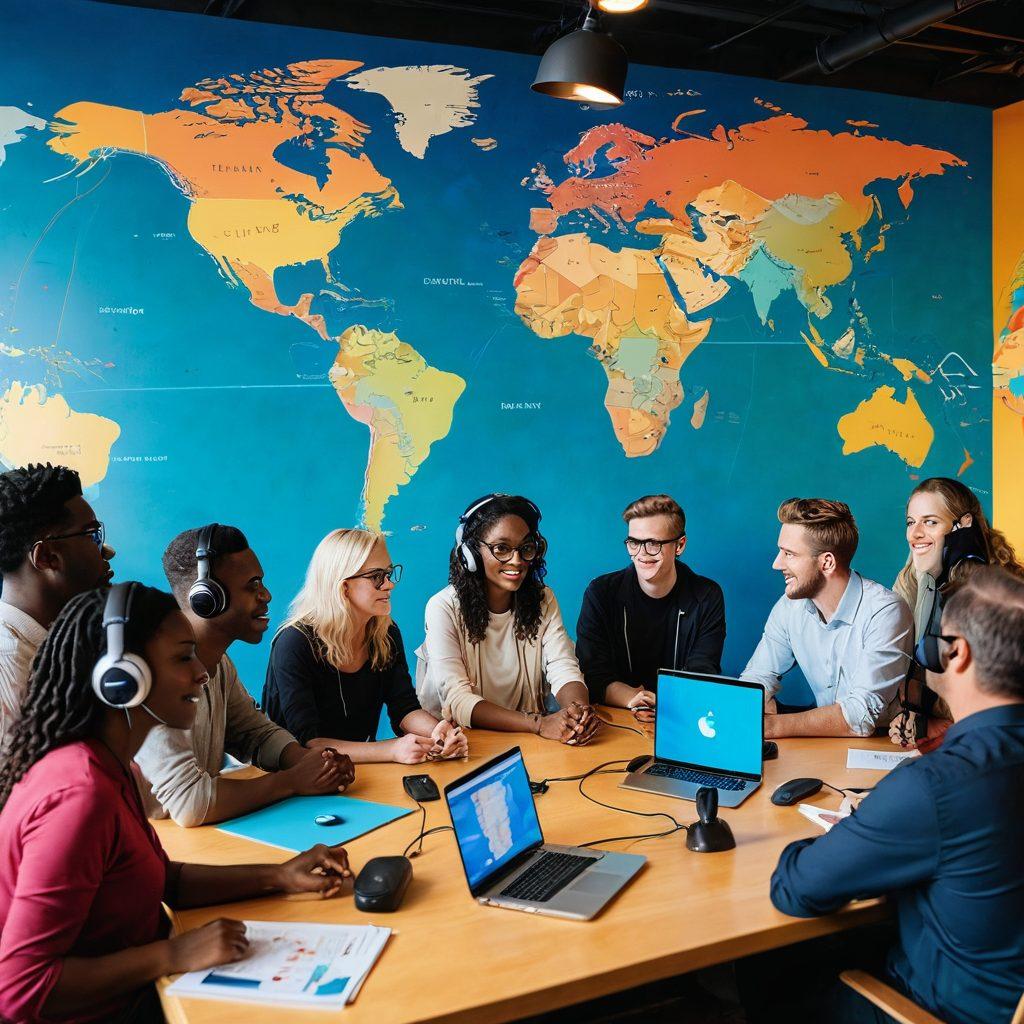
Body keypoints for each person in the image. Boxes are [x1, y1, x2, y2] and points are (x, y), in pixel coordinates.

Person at [0, 584, 354, 1024]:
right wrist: (171, 954)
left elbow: (161, 880)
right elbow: (20, 990)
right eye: (182, 657)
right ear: (123, 678)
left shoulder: (112, 766)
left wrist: (278, 875)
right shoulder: (79, 795)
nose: (202, 674)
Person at [764, 567, 1024, 1024]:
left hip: (935, 1010)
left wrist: (864, 830)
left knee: (772, 979)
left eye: (934, 647)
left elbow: (796, 889)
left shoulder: (935, 786)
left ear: (957, 655)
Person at [134, 524, 355, 827]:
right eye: (252, 585)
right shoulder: (156, 674)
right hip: (159, 845)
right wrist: (292, 781)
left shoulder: (219, 663)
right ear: (206, 598)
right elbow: (189, 802)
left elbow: (255, 734)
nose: (266, 595)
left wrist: (310, 763)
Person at [262, 528, 468, 764]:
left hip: (356, 772)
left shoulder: (386, 633)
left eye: (389, 573)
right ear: (343, 586)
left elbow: (404, 708)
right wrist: (391, 750)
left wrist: (439, 733)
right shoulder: (294, 643)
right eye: (376, 576)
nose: (389, 585)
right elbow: (308, 742)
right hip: (298, 778)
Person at [416, 493, 599, 744]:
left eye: (525, 548)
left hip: (528, 741)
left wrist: (577, 712)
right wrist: (538, 724)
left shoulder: (543, 599)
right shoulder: (443, 607)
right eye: (501, 548)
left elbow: (563, 666)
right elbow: (457, 700)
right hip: (466, 745)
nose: (517, 560)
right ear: (471, 553)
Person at [742, 498, 913, 738]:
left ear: (827, 562)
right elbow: (758, 677)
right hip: (825, 740)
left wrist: (771, 725)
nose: (776, 564)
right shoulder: (789, 607)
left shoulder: (885, 612)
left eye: (789, 554)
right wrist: (750, 703)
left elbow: (860, 716)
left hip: (882, 742)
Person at [889, 476, 1024, 752]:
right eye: (911, 522)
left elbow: (993, 696)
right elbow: (898, 675)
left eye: (930, 522)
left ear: (963, 526)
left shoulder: (1008, 593)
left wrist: (965, 569)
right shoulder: (911, 583)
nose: (914, 534)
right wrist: (913, 713)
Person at [576, 494, 725, 722]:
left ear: (680, 545)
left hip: (684, 715)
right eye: (634, 543)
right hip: (616, 716)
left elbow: (703, 671)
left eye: (654, 543)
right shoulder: (600, 593)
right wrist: (634, 698)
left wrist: (664, 703)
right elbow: (593, 673)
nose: (642, 554)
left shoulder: (706, 596)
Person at [0, 463, 115, 747]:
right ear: (47, 557)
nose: (107, 551)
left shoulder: (64, 644)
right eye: (91, 535)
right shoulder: (10, 669)